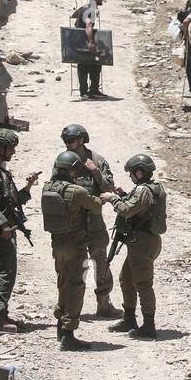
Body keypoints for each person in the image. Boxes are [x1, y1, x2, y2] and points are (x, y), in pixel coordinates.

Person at [0, 129, 39, 333]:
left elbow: (10, 202)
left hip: (7, 228)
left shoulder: (0, 171)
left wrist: (28, 188)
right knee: (5, 272)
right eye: (10, 148)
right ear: (0, 148)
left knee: (7, 272)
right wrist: (2, 224)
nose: (13, 152)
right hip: (1, 231)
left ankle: (1, 312)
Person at [40, 150, 101, 351]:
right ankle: (68, 334)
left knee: (63, 283)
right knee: (76, 287)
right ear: (73, 170)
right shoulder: (77, 191)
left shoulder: (47, 187)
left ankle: (60, 324)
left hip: (57, 245)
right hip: (76, 245)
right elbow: (96, 206)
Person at [60, 124, 122, 318]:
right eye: (66, 142)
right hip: (72, 221)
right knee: (72, 263)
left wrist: (95, 171)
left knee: (100, 260)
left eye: (71, 141)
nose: (68, 145)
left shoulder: (97, 160)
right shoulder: (64, 160)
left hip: (94, 219)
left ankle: (103, 303)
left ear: (81, 139)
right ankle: (67, 306)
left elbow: (109, 187)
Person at [104, 154, 166, 338]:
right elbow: (139, 208)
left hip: (143, 243)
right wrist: (123, 195)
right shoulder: (148, 189)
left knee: (143, 284)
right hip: (141, 242)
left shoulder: (143, 190)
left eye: (132, 173)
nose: (131, 176)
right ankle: (129, 319)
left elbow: (128, 210)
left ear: (140, 172)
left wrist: (111, 199)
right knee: (126, 279)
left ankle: (148, 325)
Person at [72, 0, 106, 98]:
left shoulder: (85, 8)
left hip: (81, 40)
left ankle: (92, 90)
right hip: (85, 41)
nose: (102, 0)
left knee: (93, 65)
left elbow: (75, 19)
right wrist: (90, 42)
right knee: (86, 65)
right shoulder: (90, 9)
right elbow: (88, 26)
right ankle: (86, 92)